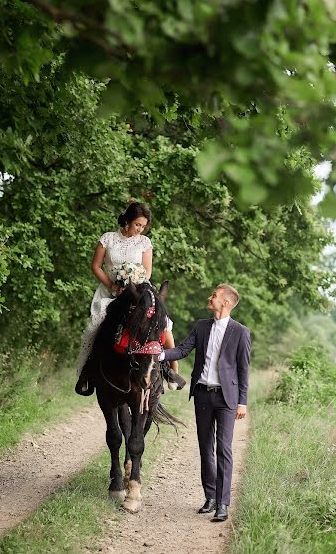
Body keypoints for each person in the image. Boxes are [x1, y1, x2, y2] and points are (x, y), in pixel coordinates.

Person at [160, 284, 250, 522]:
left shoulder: (240, 332)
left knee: (223, 449)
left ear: (226, 303)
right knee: (205, 447)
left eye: (215, 296)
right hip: (202, 394)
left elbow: (243, 369)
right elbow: (181, 350)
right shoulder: (201, 326)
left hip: (226, 398)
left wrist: (242, 402)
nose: (210, 298)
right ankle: (210, 497)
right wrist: (158, 354)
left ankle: (223, 503)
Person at [76, 201, 179, 395]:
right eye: (137, 224)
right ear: (127, 221)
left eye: (143, 226)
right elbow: (95, 266)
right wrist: (113, 285)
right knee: (94, 325)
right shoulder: (108, 238)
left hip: (139, 291)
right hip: (111, 291)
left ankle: (173, 370)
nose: (140, 229)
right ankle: (87, 372)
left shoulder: (144, 243)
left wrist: (135, 286)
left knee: (164, 322)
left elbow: (147, 272)